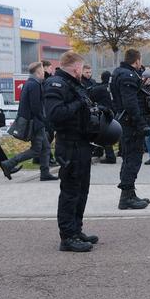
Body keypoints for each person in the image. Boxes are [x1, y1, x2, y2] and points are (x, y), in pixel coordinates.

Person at [44, 50, 99, 252]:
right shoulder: (56, 84)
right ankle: (67, 237)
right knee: (70, 191)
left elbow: (85, 107)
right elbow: (55, 114)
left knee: (82, 190)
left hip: (82, 143)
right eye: (82, 68)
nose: (82, 72)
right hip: (69, 144)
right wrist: (78, 104)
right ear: (76, 68)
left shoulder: (75, 84)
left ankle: (76, 230)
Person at [111, 48, 150, 210]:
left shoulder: (118, 72)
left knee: (128, 158)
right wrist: (141, 124)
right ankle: (126, 197)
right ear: (137, 60)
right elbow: (130, 103)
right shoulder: (128, 75)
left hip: (124, 122)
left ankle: (129, 193)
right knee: (133, 159)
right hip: (131, 124)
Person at [1, 62, 57, 181]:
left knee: (46, 148)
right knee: (36, 150)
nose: (44, 73)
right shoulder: (34, 85)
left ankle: (45, 173)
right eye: (42, 71)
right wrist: (45, 121)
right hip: (36, 123)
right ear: (38, 73)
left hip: (36, 122)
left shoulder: (30, 83)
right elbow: (35, 107)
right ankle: (9, 163)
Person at [88, 70, 116, 164]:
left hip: (103, 113)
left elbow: (91, 98)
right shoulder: (113, 87)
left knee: (104, 134)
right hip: (114, 112)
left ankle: (110, 156)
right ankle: (99, 151)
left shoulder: (98, 89)